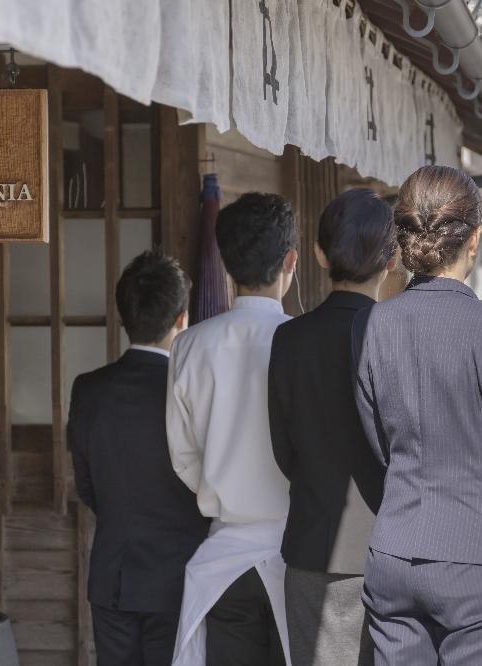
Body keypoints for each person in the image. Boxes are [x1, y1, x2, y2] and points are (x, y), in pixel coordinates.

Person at [352, 166, 482, 665]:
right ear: (475, 239)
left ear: (403, 239)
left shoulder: (372, 325)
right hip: (481, 554)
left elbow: (376, 435)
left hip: (396, 548)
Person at [268, 189, 397, 666]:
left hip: (313, 545)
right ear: (392, 258)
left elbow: (284, 450)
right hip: (395, 547)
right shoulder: (399, 334)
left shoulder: (290, 338)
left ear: (319, 253)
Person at [167, 192, 297, 666]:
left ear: (224, 262)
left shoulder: (190, 346)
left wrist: (223, 484)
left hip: (223, 560)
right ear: (292, 261)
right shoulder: (304, 342)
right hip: (295, 556)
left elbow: (184, 458)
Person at [67, 249, 210, 666]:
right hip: (179, 574)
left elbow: (87, 485)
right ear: (182, 317)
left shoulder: (89, 389)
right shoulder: (192, 389)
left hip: (114, 574)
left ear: (123, 316)